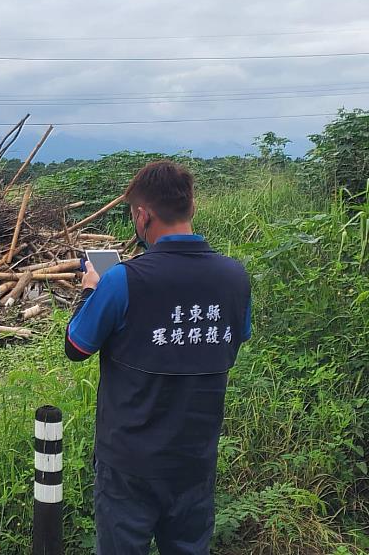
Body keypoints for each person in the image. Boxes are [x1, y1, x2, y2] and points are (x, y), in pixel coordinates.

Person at [65, 160, 251, 555]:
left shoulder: (121, 279)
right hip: (195, 460)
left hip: (129, 463)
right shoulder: (234, 277)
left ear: (142, 214)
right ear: (191, 208)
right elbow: (234, 340)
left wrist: (90, 291)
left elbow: (76, 347)